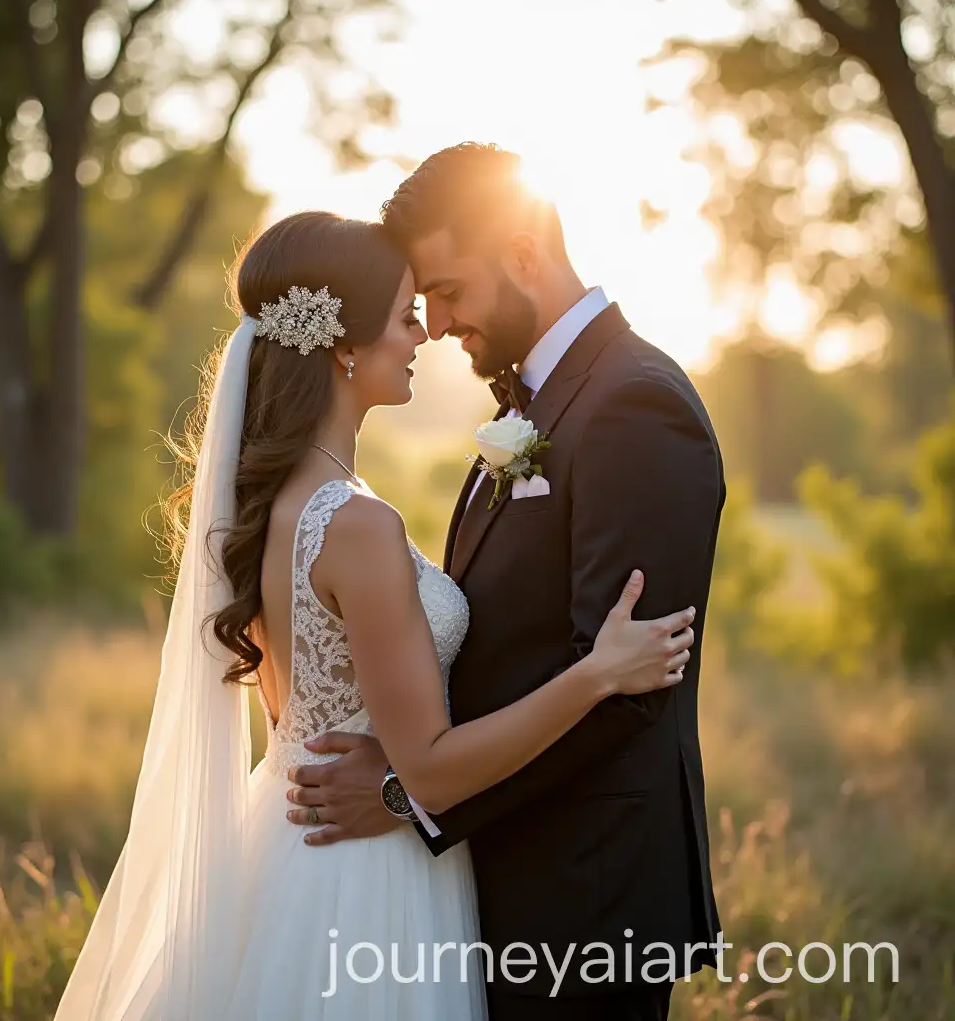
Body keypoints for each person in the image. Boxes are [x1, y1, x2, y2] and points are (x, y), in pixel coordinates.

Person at [53, 209, 696, 1021]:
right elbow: (425, 768)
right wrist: (597, 675)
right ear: (344, 348)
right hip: (363, 878)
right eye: (403, 317)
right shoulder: (356, 524)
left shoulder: (274, 506)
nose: (422, 336)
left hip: (289, 848)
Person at [284, 145, 727, 1021]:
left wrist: (412, 793)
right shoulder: (534, 403)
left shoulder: (636, 403)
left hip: (587, 897)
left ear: (523, 254)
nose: (437, 324)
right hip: (515, 874)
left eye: (447, 290)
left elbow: (628, 684)